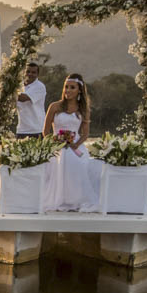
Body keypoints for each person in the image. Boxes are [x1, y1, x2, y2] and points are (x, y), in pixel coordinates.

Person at [41, 73, 100, 212]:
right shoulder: (54, 106)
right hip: (56, 145)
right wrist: (55, 143)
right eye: (66, 87)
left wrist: (75, 144)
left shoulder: (83, 110)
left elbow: (85, 134)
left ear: (79, 90)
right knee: (62, 157)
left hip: (75, 146)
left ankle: (74, 200)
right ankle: (59, 199)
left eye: (72, 87)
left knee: (73, 158)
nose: (68, 90)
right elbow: (45, 131)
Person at [15, 62, 47, 139]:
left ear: (37, 74)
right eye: (28, 71)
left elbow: (23, 98)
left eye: (33, 72)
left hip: (36, 130)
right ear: (24, 72)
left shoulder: (40, 86)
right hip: (21, 130)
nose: (30, 74)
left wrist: (9, 90)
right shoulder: (19, 86)